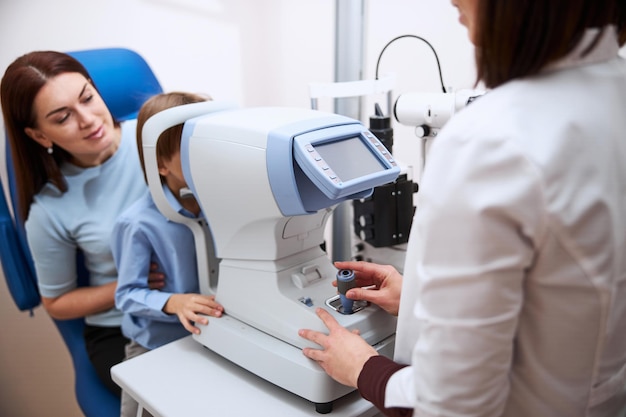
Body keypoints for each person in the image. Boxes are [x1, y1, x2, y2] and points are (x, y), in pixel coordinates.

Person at [299, 1, 626, 416]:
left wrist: (364, 369)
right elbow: (570, 293)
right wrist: (420, 298)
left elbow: (454, 405)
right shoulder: (613, 92)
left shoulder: (492, 138)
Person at [0, 51, 164, 396]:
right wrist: (129, 284)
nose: (88, 119)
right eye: (63, 118)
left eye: (88, 98)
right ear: (40, 136)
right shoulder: (50, 208)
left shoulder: (159, 137)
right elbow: (57, 303)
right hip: (124, 329)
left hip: (205, 299)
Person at [112, 92, 224, 417]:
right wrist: (174, 302)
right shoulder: (137, 224)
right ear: (160, 163)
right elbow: (127, 295)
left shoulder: (221, 204)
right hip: (154, 346)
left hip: (211, 338)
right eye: (190, 150)